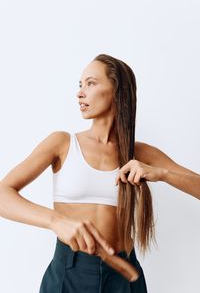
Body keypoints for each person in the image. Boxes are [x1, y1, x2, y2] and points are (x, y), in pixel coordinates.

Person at [0, 54, 199, 293]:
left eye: (91, 83)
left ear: (116, 90)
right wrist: (55, 220)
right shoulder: (62, 143)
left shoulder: (140, 152)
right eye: (80, 84)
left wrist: (162, 173)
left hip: (124, 276)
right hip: (68, 274)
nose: (80, 93)